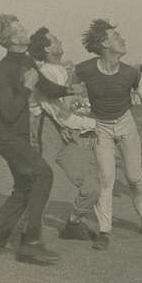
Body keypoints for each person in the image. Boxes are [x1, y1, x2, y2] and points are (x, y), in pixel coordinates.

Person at [0, 14, 80, 265]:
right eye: (18, 28)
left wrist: (68, 89)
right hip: (4, 135)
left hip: (17, 134)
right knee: (43, 175)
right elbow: (9, 111)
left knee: (24, 187)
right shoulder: (3, 70)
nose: (25, 29)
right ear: (10, 39)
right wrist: (25, 87)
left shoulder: (26, 60)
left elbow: (44, 86)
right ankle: (30, 242)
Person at [75, 19, 142, 251]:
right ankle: (104, 231)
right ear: (104, 43)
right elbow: (65, 93)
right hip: (99, 126)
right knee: (106, 179)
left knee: (134, 177)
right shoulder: (83, 69)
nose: (123, 39)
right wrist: (78, 121)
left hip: (126, 124)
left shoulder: (131, 73)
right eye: (116, 36)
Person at [27, 27, 99, 242]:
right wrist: (95, 124)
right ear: (48, 48)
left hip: (62, 130)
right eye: (55, 39)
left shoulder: (60, 70)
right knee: (37, 185)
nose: (60, 40)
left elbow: (63, 113)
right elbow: (58, 114)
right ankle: (27, 236)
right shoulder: (47, 72)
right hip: (44, 130)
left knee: (91, 186)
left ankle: (73, 224)